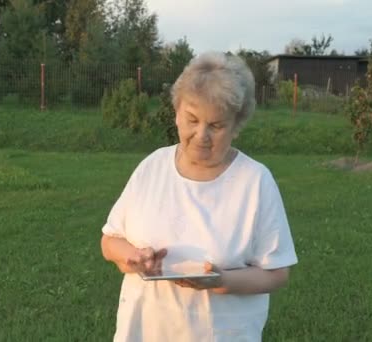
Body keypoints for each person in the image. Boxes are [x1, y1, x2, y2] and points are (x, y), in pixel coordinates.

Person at [100, 51, 298, 341]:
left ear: (236, 126)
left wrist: (223, 281)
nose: (201, 135)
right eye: (192, 119)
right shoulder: (152, 167)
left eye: (216, 126)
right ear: (177, 112)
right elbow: (110, 242)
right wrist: (135, 257)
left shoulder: (254, 182)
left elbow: (277, 274)